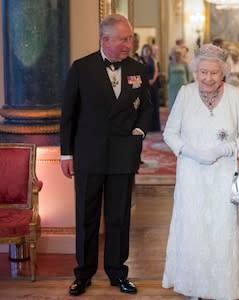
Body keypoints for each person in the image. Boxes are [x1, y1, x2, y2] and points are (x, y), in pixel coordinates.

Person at [60, 14, 152, 296]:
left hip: (123, 153)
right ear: (105, 40)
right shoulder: (81, 68)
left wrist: (139, 131)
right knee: (87, 216)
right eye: (123, 39)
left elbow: (146, 108)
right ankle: (83, 274)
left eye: (130, 38)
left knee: (118, 217)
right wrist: (66, 154)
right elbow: (69, 115)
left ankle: (118, 272)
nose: (129, 43)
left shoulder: (137, 68)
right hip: (89, 153)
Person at [162, 44, 239, 299]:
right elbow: (170, 133)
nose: (207, 78)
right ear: (195, 71)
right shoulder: (185, 93)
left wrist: (224, 150)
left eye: (214, 73)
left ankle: (225, 286)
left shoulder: (235, 95)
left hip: (224, 173)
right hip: (191, 174)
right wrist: (191, 151)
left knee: (224, 225)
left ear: (223, 72)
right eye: (203, 72)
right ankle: (194, 285)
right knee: (193, 224)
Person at [140, 44, 161, 131]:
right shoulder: (139, 60)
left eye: (148, 50)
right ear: (142, 51)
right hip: (144, 84)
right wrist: (146, 81)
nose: (147, 52)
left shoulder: (153, 60)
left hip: (153, 84)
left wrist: (153, 80)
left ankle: (155, 126)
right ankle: (146, 126)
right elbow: (139, 72)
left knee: (154, 104)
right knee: (146, 105)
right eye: (145, 50)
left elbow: (156, 71)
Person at [167, 46, 190, 111]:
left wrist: (187, 84)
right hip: (173, 86)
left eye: (178, 53)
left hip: (182, 84)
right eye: (175, 53)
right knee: (173, 101)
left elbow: (188, 74)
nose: (177, 55)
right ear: (173, 54)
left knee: (183, 101)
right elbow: (169, 75)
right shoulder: (170, 64)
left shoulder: (184, 63)